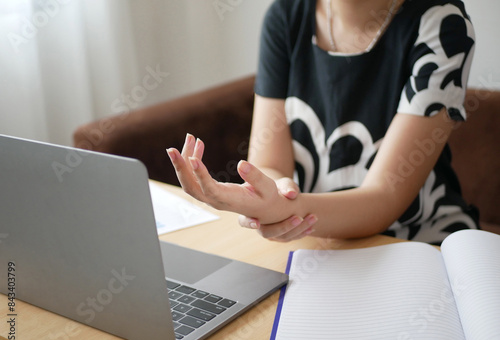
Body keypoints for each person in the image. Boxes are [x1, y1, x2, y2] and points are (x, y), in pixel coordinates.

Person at [167, 0, 479, 245]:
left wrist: (288, 210)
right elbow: (270, 165)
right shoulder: (285, 17)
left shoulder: (443, 25)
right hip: (314, 238)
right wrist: (271, 196)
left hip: (418, 240)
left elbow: (384, 197)